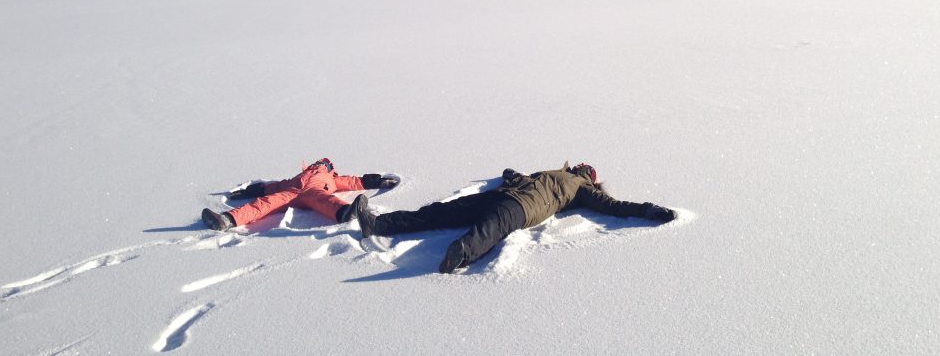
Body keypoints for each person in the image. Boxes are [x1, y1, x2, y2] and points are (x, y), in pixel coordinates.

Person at [354, 162, 675, 273]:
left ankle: (460, 254)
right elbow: (520, 177)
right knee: (441, 212)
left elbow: (616, 207)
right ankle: (378, 224)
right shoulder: (552, 173)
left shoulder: (583, 189)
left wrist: (648, 209)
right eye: (582, 167)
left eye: (586, 171)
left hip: (522, 209)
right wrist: (511, 174)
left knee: (489, 229)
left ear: (590, 178)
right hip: (506, 195)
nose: (581, 170)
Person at [201, 157, 398, 231]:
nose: (320, 165)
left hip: (314, 192)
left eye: (324, 164)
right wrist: (253, 190)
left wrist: (377, 181)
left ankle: (345, 212)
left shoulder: (331, 178)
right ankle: (227, 220)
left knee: (325, 200)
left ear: (329, 167)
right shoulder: (299, 176)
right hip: (291, 192)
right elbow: (276, 186)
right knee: (263, 204)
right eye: (318, 163)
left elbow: (354, 182)